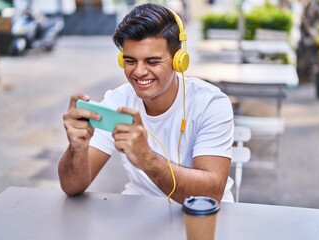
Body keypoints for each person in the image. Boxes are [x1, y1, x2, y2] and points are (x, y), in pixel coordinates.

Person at [58, 3, 234, 204]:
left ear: (179, 61)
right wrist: (77, 148)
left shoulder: (211, 104)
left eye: (152, 62)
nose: (139, 72)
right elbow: (71, 187)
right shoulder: (117, 100)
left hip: (201, 217)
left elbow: (210, 194)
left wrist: (148, 159)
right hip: (139, 211)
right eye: (130, 60)